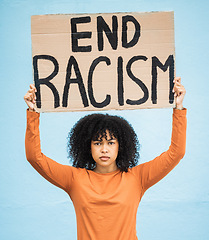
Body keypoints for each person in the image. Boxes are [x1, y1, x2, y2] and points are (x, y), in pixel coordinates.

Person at [24, 77, 186, 240]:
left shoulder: (137, 178)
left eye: (110, 142)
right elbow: (34, 157)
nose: (104, 149)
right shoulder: (75, 179)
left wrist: (178, 107)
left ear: (120, 146)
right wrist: (33, 112)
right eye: (97, 143)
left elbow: (176, 153)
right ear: (88, 146)